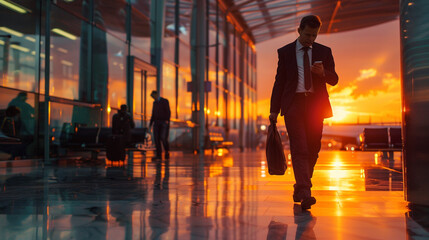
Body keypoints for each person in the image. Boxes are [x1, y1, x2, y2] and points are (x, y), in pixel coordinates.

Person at [269, 15, 339, 210]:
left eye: (314, 36)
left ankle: (300, 188)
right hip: (294, 105)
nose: (310, 39)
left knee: (314, 148)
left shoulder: (325, 51)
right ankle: (306, 192)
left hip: (316, 106)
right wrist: (274, 110)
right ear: (299, 30)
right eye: (308, 34)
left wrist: (323, 73)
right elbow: (279, 82)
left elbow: (334, 80)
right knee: (299, 148)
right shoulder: (285, 52)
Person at [149, 90, 171, 160]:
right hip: (157, 123)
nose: (153, 98)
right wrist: (151, 124)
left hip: (163, 122)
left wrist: (167, 120)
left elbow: (168, 111)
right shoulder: (155, 103)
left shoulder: (164, 101)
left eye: (153, 96)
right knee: (156, 139)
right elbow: (153, 114)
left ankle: (166, 152)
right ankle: (159, 155)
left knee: (163, 138)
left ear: (156, 94)